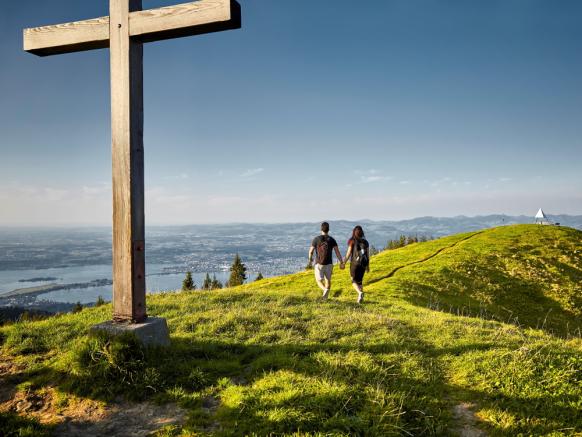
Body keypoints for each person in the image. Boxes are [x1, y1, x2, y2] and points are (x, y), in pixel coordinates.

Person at [308, 222, 344, 299]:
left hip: (319, 263)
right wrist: (341, 262)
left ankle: (325, 290)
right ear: (328, 230)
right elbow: (337, 252)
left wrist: (310, 260)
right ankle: (326, 295)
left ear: (321, 229)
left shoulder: (316, 239)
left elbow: (311, 251)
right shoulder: (332, 240)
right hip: (329, 264)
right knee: (328, 280)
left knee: (318, 280)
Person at [344, 225, 370, 304]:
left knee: (353, 280)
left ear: (354, 232)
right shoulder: (366, 242)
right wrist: (367, 266)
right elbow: (368, 255)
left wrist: (343, 262)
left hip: (354, 264)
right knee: (360, 281)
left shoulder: (352, 241)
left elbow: (348, 254)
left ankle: (359, 293)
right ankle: (360, 299)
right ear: (362, 233)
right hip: (363, 264)